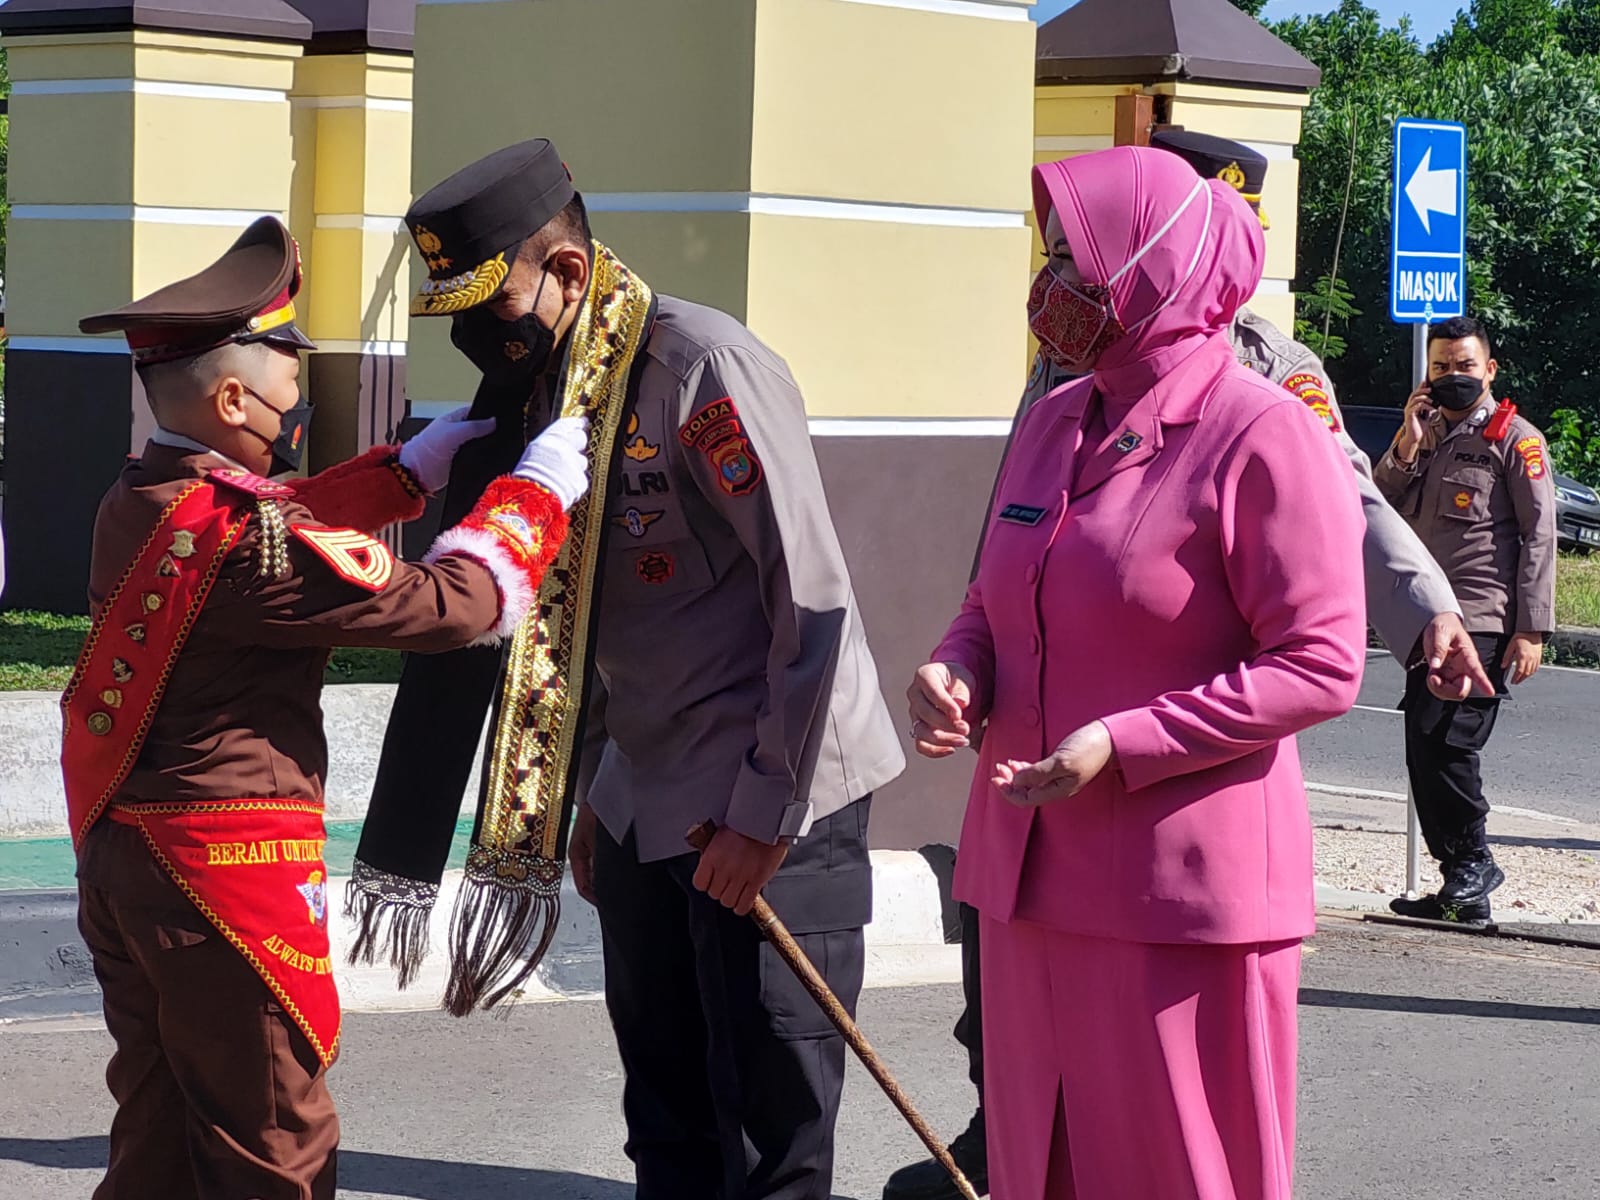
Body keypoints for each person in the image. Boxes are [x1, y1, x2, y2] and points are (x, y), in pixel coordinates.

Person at [886, 129, 1487, 1200]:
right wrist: (957, 666)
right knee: (1038, 1171)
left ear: (1148, 265)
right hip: (1023, 873)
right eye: (1050, 257)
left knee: (1175, 1173)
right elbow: (996, 590)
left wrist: (1121, 743)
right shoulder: (1055, 418)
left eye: (1075, 260)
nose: (1051, 283)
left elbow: (1316, 663)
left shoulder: (1263, 431)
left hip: (1176, 893)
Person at [350, 139, 905, 1200]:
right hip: (646, 796)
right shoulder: (545, 393)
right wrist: (598, 794)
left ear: (564, 272)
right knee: (665, 1116)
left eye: (492, 300)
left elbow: (811, 601)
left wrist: (762, 815)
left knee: (769, 1133)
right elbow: (583, 622)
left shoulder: (699, 368)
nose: (479, 333)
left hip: (769, 793)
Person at [65, 216, 590, 1199]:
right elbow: (456, 607)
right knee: (274, 1142)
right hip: (222, 874)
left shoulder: (138, 499)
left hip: (125, 857)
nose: (298, 397)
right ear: (231, 396)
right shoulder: (249, 547)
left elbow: (260, 519)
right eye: (288, 376)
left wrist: (404, 473)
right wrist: (534, 496)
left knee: (162, 1125)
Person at [1374, 316, 1557, 921]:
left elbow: (1539, 536)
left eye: (1466, 366)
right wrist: (1406, 442)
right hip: (1425, 616)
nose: (1454, 377)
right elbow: (1377, 505)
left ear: (1490, 371)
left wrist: (1531, 628)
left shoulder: (1515, 440)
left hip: (1481, 615)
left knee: (1448, 744)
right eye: (1442, 367)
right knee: (1423, 747)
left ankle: (1474, 864)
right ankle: (1461, 884)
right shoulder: (1421, 435)